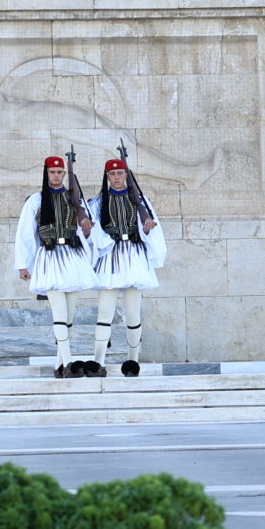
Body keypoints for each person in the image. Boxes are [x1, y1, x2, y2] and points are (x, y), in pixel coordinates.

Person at [13, 154, 108, 378]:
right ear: (46, 175)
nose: (56, 176)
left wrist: (86, 229)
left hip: (73, 257)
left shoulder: (74, 199)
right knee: (59, 314)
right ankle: (68, 363)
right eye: (52, 172)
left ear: (65, 174)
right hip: (50, 257)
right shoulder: (36, 200)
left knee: (70, 316)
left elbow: (90, 233)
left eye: (59, 172)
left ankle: (59, 367)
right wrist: (23, 265)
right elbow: (25, 234)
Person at [86, 155, 167, 377]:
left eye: (120, 173)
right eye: (112, 174)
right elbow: (92, 231)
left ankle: (133, 361)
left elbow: (152, 229)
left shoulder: (139, 200)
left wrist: (147, 229)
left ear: (126, 175)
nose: (116, 177)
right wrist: (103, 241)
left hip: (133, 256)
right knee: (105, 312)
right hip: (110, 257)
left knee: (133, 313)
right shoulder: (97, 202)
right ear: (107, 177)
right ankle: (98, 361)